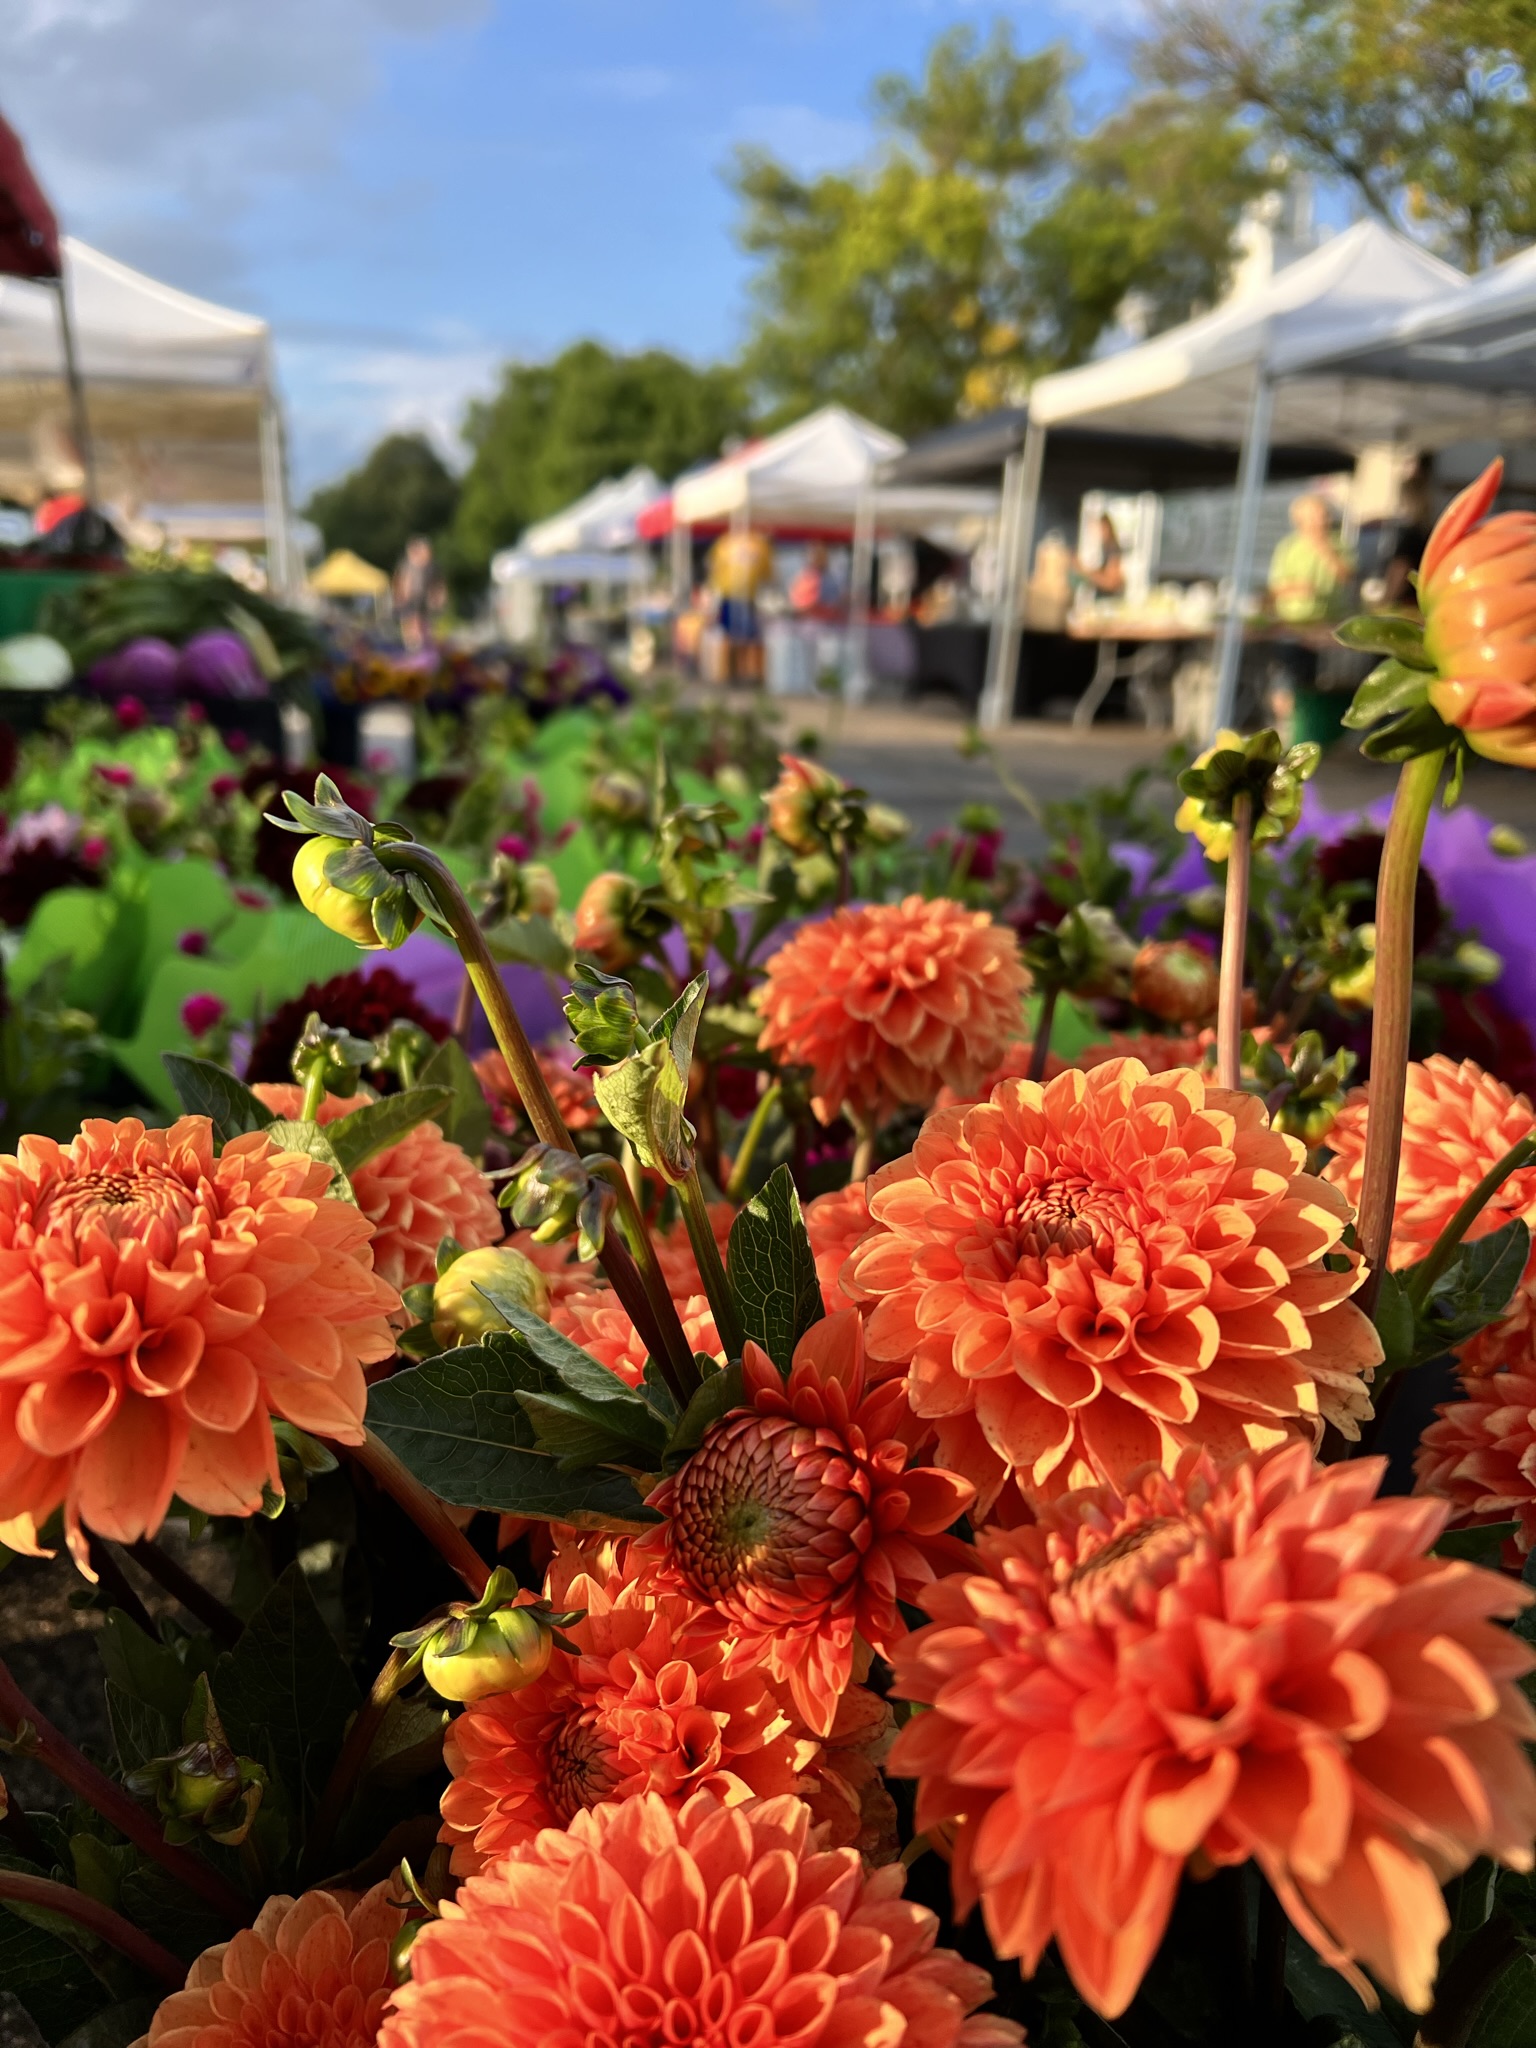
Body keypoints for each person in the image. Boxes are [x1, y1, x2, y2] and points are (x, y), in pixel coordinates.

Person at [1267, 494, 1355, 624]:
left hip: (1331, 618)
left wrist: (1325, 549)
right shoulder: (1287, 546)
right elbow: (1275, 588)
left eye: (1325, 515)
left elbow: (1348, 577)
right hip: (1293, 620)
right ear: (1300, 520)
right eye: (1315, 517)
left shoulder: (1340, 544)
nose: (1322, 521)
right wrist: (1298, 588)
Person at [393, 536, 443, 650]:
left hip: (421, 599)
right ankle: (413, 645)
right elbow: (400, 581)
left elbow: (435, 584)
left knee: (423, 622)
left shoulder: (430, 566)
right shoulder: (406, 564)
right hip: (410, 598)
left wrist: (436, 598)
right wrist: (401, 596)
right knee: (410, 621)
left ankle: (422, 645)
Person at [1073, 513, 1125, 599]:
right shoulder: (1103, 548)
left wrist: (1085, 572)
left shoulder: (1113, 550)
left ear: (1107, 528)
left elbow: (1110, 583)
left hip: (1109, 601)